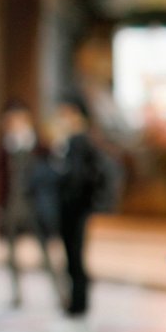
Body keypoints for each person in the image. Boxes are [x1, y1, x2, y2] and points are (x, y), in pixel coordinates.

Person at [0, 99, 60, 307]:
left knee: (45, 251)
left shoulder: (37, 144)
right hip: (12, 205)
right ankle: (16, 293)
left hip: (34, 206)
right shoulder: (7, 145)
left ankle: (59, 292)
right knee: (11, 254)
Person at [51, 94, 100, 319]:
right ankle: (75, 300)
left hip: (76, 208)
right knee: (70, 256)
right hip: (68, 207)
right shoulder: (68, 141)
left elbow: (79, 177)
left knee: (75, 255)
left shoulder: (81, 142)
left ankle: (79, 302)